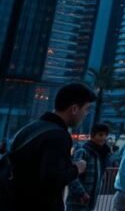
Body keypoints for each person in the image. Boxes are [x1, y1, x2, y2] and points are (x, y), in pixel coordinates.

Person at [9, 82, 94, 210]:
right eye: (86, 109)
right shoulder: (58, 135)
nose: (86, 114)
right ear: (74, 109)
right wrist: (77, 168)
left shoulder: (30, 129)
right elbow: (52, 179)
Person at [67, 122, 113, 211]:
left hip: (89, 201)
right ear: (92, 136)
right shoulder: (83, 151)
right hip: (77, 201)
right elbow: (72, 176)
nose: (104, 138)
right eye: (100, 135)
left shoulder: (100, 153)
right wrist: (82, 193)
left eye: (106, 135)